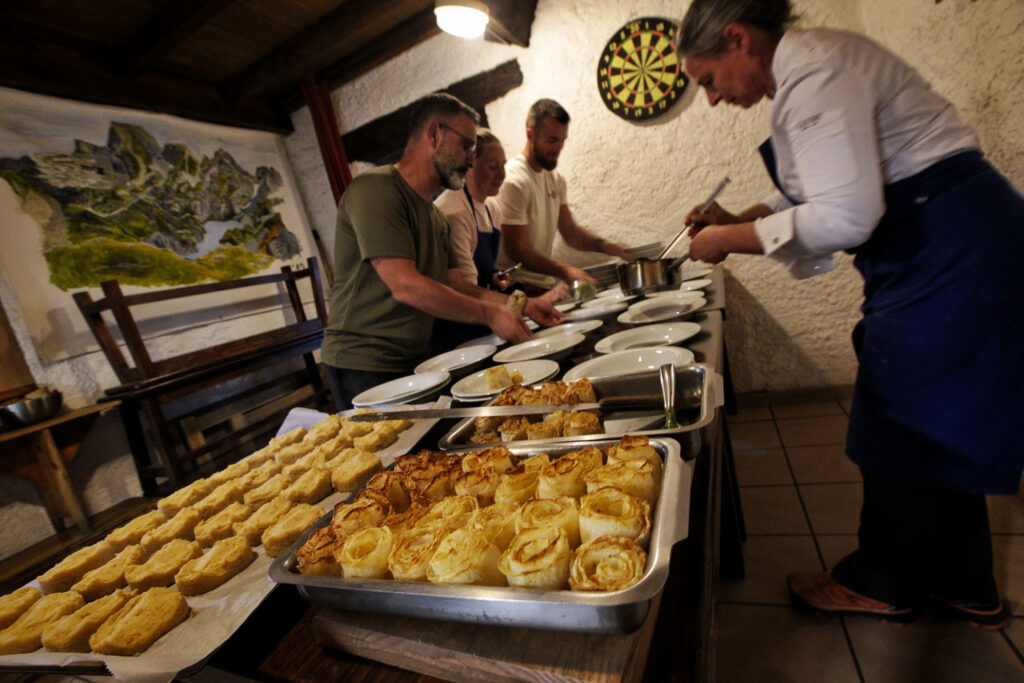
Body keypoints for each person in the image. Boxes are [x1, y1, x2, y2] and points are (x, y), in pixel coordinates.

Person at [676, 0, 1024, 627]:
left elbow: (845, 215)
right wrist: (742, 218)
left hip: (946, 241)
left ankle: (883, 581)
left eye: (707, 80)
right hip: (957, 237)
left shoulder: (814, 71)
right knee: (942, 418)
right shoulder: (813, 65)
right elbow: (818, 187)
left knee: (896, 414)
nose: (712, 98)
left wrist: (726, 242)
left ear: (737, 39)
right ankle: (965, 583)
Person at [321, 93, 563, 409]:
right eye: (466, 146)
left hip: (416, 361)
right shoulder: (376, 188)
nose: (471, 160)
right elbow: (404, 285)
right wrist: (490, 313)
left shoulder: (436, 216)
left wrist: (521, 304)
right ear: (434, 134)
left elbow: (456, 285)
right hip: (363, 363)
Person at [431, 127, 569, 352]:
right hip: (458, 334)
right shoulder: (453, 212)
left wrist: (494, 276)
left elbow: (481, 273)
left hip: (483, 323)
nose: (502, 175)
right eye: (493, 167)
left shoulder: (491, 208)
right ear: (470, 166)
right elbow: (462, 288)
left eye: (503, 165)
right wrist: (523, 303)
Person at [496, 98, 630, 285]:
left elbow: (569, 231)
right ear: (530, 134)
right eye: (552, 140)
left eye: (562, 140)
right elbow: (515, 249)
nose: (558, 148)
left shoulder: (555, 180)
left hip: (541, 285)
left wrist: (607, 246)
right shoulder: (515, 181)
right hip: (515, 287)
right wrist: (565, 271)